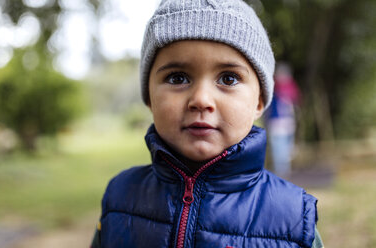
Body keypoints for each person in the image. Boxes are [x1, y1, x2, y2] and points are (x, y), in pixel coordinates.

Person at [91, 0, 324, 247]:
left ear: (259, 101)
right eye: (177, 77)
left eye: (228, 78)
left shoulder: (293, 218)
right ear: (149, 97)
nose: (201, 99)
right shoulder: (120, 198)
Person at [266, 62, 301, 177]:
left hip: (287, 121)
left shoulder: (290, 88)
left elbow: (294, 105)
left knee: (286, 147)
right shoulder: (273, 88)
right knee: (279, 147)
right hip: (276, 122)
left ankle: (284, 170)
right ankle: (281, 171)